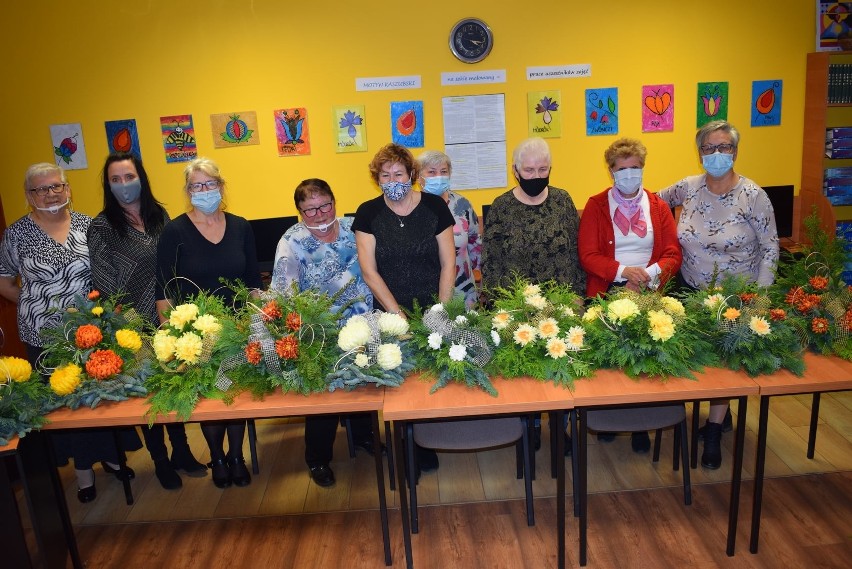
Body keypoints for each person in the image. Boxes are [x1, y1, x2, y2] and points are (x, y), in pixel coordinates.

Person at [0, 162, 140, 503]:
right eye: (40, 189)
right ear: (28, 196)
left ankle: (109, 457)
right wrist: (33, 303)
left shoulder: (89, 225)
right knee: (66, 404)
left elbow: (107, 274)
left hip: (90, 331)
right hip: (45, 337)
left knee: (99, 400)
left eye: (56, 186)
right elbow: (3, 280)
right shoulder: (17, 234)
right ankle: (82, 472)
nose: (50, 193)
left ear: (68, 189)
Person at [659, 120, 779, 469]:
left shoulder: (753, 196)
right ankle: (719, 413)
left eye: (724, 147)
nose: (716, 154)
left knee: (725, 364)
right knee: (700, 361)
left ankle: (713, 429)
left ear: (735, 151)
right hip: (691, 291)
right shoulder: (688, 188)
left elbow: (771, 249)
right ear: (700, 153)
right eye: (709, 148)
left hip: (736, 297)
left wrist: (760, 299)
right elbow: (649, 203)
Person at [88, 152, 207, 490]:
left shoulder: (160, 216)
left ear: (141, 177)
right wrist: (129, 326)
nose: (124, 185)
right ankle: (160, 461)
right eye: (116, 180)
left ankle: (182, 452)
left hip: (170, 317)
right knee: (150, 395)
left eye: (129, 177)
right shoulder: (102, 226)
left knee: (173, 386)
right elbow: (104, 280)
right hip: (133, 325)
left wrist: (181, 318)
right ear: (108, 186)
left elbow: (176, 265)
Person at [155, 157, 263, 489]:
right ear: (188, 192)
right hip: (195, 335)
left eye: (210, 184)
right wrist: (172, 340)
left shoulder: (241, 226)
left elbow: (252, 281)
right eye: (196, 186)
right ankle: (217, 456)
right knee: (212, 398)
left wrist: (255, 327)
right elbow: (164, 289)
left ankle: (236, 455)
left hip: (237, 328)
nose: (204, 191)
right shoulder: (174, 231)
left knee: (235, 395)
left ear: (221, 186)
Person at [353, 143, 456, 473]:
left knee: (428, 380)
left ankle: (426, 439)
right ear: (376, 178)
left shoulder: (434, 208)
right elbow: (369, 271)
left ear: (412, 175)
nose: (392, 180)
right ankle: (404, 448)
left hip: (432, 308)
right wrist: (397, 316)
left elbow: (448, 263)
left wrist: (440, 310)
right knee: (396, 384)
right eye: (385, 175)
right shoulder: (368, 213)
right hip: (387, 311)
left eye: (399, 173)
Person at [481, 137, 585, 454]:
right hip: (517, 306)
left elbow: (576, 251)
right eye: (529, 169)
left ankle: (560, 427)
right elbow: (491, 259)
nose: (536, 174)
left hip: (561, 303)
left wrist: (578, 296)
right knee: (526, 371)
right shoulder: (501, 207)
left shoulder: (563, 201)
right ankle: (531, 426)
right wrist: (500, 307)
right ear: (516, 171)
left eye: (543, 168)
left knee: (559, 365)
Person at [578, 137, 682, 453]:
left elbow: (672, 254)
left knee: (643, 361)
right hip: (608, 290)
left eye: (634, 168)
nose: (629, 174)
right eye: (622, 168)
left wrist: (646, 275)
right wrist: (625, 272)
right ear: (611, 171)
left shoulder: (659, 206)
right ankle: (609, 416)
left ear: (642, 169)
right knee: (610, 362)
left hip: (649, 289)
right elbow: (588, 255)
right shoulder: (597, 205)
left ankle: (641, 424)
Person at [271, 178, 377, 488]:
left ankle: (363, 438)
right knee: (324, 400)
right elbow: (284, 294)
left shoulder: (354, 228)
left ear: (334, 200)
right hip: (320, 333)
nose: (319, 214)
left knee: (364, 387)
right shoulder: (290, 242)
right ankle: (318, 459)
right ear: (299, 212)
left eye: (325, 205)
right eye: (310, 210)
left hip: (362, 323)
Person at [417, 150, 482, 308]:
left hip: (464, 293)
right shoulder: (412, 208)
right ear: (419, 178)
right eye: (431, 172)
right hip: (425, 294)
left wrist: (484, 289)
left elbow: (476, 247)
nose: (438, 176)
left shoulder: (462, 205)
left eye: (443, 172)